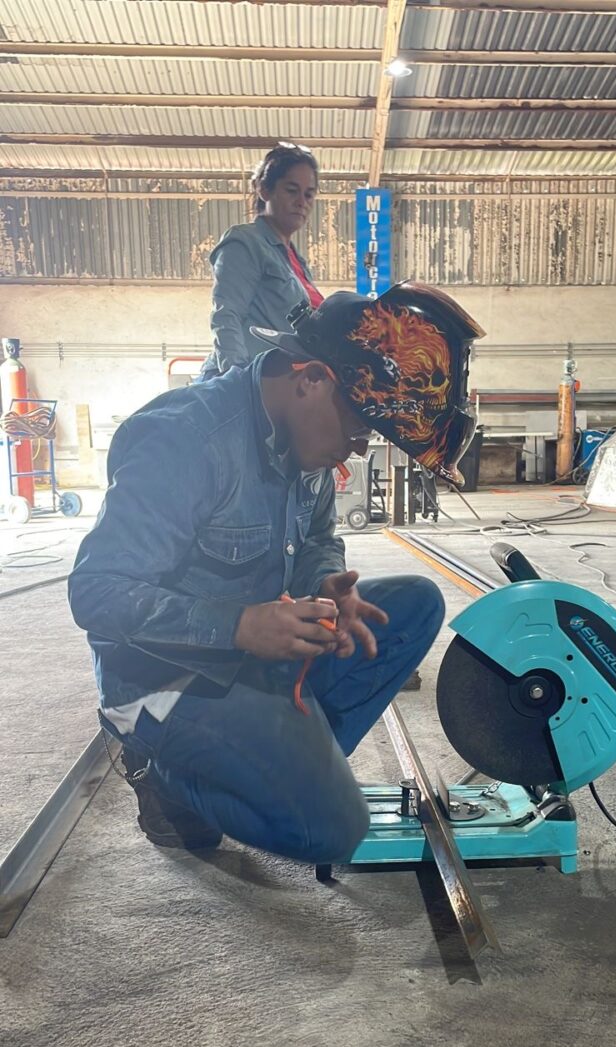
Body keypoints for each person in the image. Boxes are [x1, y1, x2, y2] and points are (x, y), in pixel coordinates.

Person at [68, 282, 485, 864]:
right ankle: (163, 772)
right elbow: (95, 592)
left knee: (415, 605)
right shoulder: (184, 441)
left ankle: (285, 761)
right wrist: (237, 625)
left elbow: (316, 537)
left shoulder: (305, 432)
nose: (359, 449)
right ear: (311, 378)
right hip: (168, 681)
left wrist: (327, 582)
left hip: (253, 656)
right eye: (360, 427)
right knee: (331, 832)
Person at [199, 142, 323, 381]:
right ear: (264, 189)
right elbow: (226, 316)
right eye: (291, 190)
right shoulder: (245, 242)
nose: (302, 202)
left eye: (309, 194)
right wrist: (236, 383)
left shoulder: (296, 262)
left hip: (281, 387)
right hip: (247, 385)